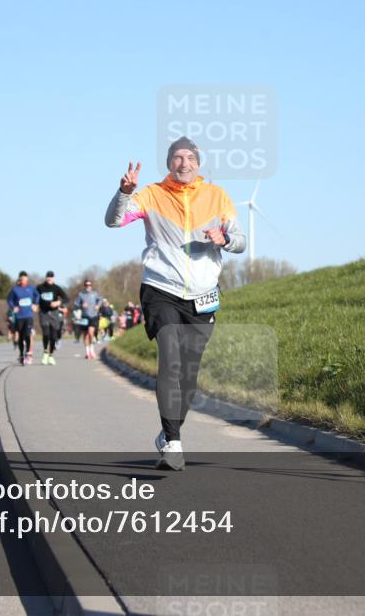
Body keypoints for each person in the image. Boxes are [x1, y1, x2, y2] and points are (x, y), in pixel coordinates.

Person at [105, 137, 245, 471]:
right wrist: (124, 192)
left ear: (199, 162)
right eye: (177, 157)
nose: (184, 162)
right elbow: (113, 221)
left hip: (203, 294)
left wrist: (224, 239)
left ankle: (170, 432)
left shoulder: (217, 196)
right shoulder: (152, 195)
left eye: (190, 157)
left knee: (190, 374)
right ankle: (173, 441)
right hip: (161, 289)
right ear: (169, 163)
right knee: (170, 360)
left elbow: (240, 241)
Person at [6, 271, 39, 366]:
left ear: (27, 280)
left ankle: (28, 354)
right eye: (21, 280)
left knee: (28, 335)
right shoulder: (15, 289)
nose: (23, 281)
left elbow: (37, 296)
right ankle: (21, 354)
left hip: (28, 315)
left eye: (25, 280)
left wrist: (35, 304)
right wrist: (13, 307)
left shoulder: (31, 288)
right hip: (19, 316)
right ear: (19, 280)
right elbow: (9, 300)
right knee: (20, 337)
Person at [35, 271, 67, 365]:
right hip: (44, 312)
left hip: (54, 313)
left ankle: (51, 355)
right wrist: (46, 304)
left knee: (53, 336)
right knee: (46, 333)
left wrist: (59, 303)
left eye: (51, 277)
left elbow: (66, 298)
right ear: (45, 278)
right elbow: (36, 298)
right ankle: (45, 352)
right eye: (48, 277)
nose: (49, 279)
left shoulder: (56, 288)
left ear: (54, 278)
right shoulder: (40, 287)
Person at [75, 280, 102, 359]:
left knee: (91, 333)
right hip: (84, 316)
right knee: (85, 335)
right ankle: (87, 352)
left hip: (93, 316)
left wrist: (98, 306)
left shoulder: (95, 294)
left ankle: (92, 350)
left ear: (91, 286)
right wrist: (81, 305)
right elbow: (76, 304)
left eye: (89, 285)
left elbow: (100, 300)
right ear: (85, 286)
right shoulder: (81, 294)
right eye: (86, 285)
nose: (88, 287)